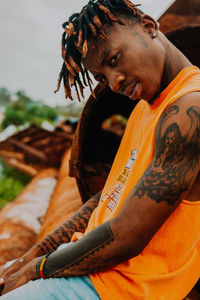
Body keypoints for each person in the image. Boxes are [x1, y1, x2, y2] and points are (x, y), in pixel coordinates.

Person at [1, 0, 200, 299]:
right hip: (92, 276)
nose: (115, 81)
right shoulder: (145, 109)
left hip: (117, 289)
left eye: (115, 58)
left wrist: (36, 270)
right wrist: (31, 256)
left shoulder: (189, 107)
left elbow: (128, 236)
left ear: (149, 27)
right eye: (102, 77)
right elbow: (108, 197)